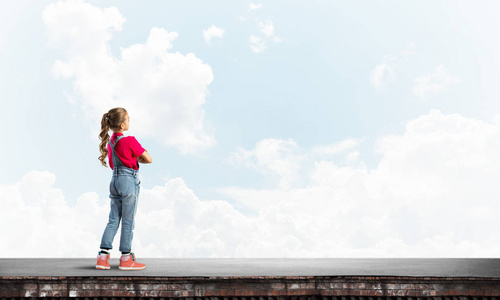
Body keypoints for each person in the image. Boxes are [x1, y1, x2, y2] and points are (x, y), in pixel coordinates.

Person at [95, 107, 152, 270]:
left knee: (113, 219)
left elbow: (113, 164)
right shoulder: (130, 141)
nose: (129, 122)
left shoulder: (110, 144)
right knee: (128, 220)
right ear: (121, 125)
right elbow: (148, 159)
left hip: (114, 180)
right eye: (128, 119)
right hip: (128, 180)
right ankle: (126, 258)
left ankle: (102, 257)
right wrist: (137, 155)